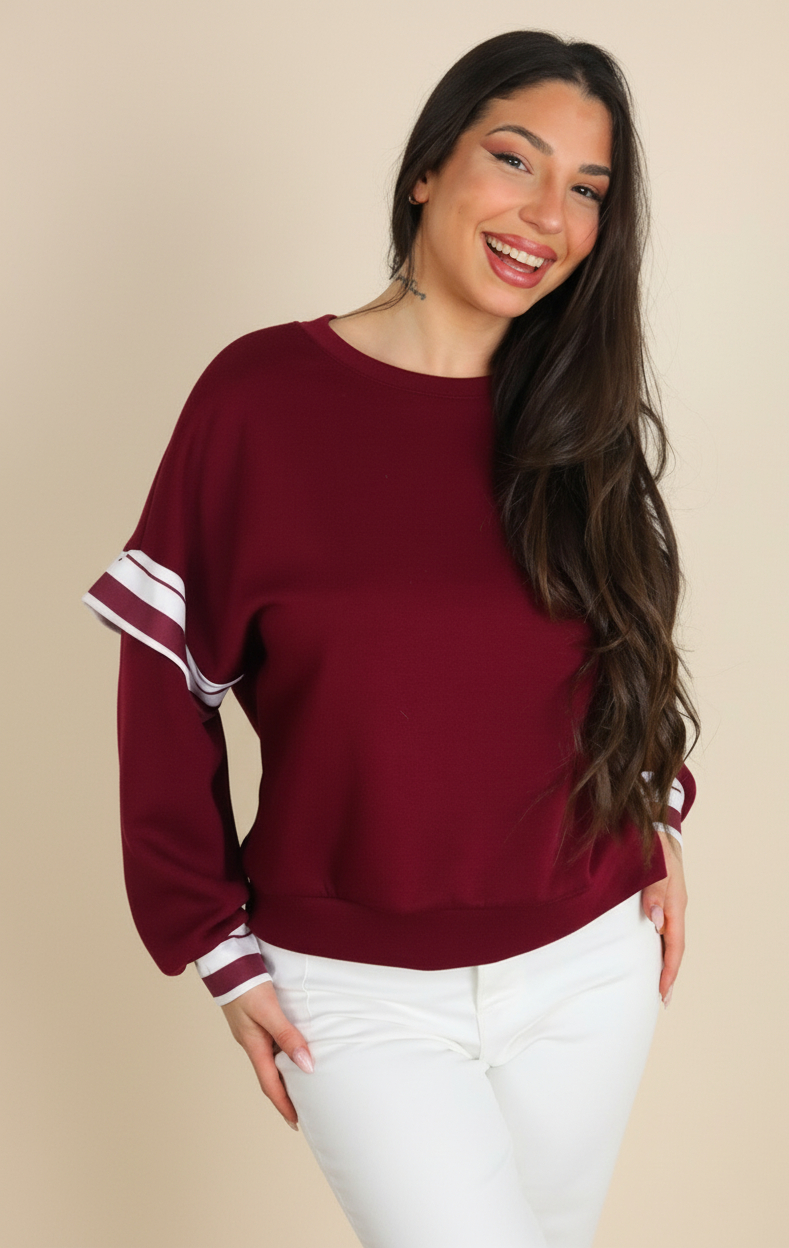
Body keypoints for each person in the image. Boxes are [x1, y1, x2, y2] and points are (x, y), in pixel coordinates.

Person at [84, 29, 699, 1248]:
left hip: (589, 963)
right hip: (354, 995)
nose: (547, 216)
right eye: (514, 160)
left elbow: (625, 642)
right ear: (428, 168)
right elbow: (163, 684)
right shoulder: (260, 398)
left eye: (587, 191)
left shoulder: (577, 417)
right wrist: (216, 949)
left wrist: (656, 806)